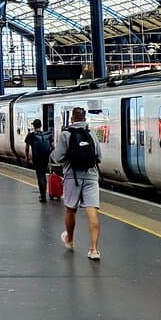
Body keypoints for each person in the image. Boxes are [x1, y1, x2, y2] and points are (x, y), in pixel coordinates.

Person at [51, 106, 102, 260]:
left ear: (72, 119)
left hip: (72, 177)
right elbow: (98, 157)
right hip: (91, 176)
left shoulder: (66, 134)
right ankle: (94, 250)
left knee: (70, 210)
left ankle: (70, 240)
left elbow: (57, 158)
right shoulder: (91, 134)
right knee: (92, 211)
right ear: (85, 119)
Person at [24, 119, 52, 203]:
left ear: (33, 126)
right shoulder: (47, 134)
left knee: (40, 175)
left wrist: (27, 158)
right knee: (43, 175)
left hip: (37, 158)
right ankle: (45, 193)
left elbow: (27, 147)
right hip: (45, 158)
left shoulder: (31, 135)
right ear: (41, 125)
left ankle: (43, 196)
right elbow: (53, 146)